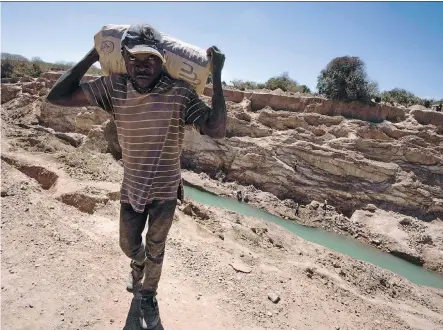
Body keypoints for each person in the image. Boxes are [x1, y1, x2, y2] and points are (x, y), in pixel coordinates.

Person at [47, 24, 227, 329]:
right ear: (124, 58)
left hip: (166, 189)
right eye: (134, 59)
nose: (142, 66)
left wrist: (217, 75)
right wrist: (94, 54)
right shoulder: (114, 87)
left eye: (151, 59)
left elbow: (217, 128)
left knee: (157, 249)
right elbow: (57, 96)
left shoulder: (179, 92)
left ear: (161, 61)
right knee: (128, 245)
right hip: (131, 187)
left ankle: (148, 294)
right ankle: (137, 261)